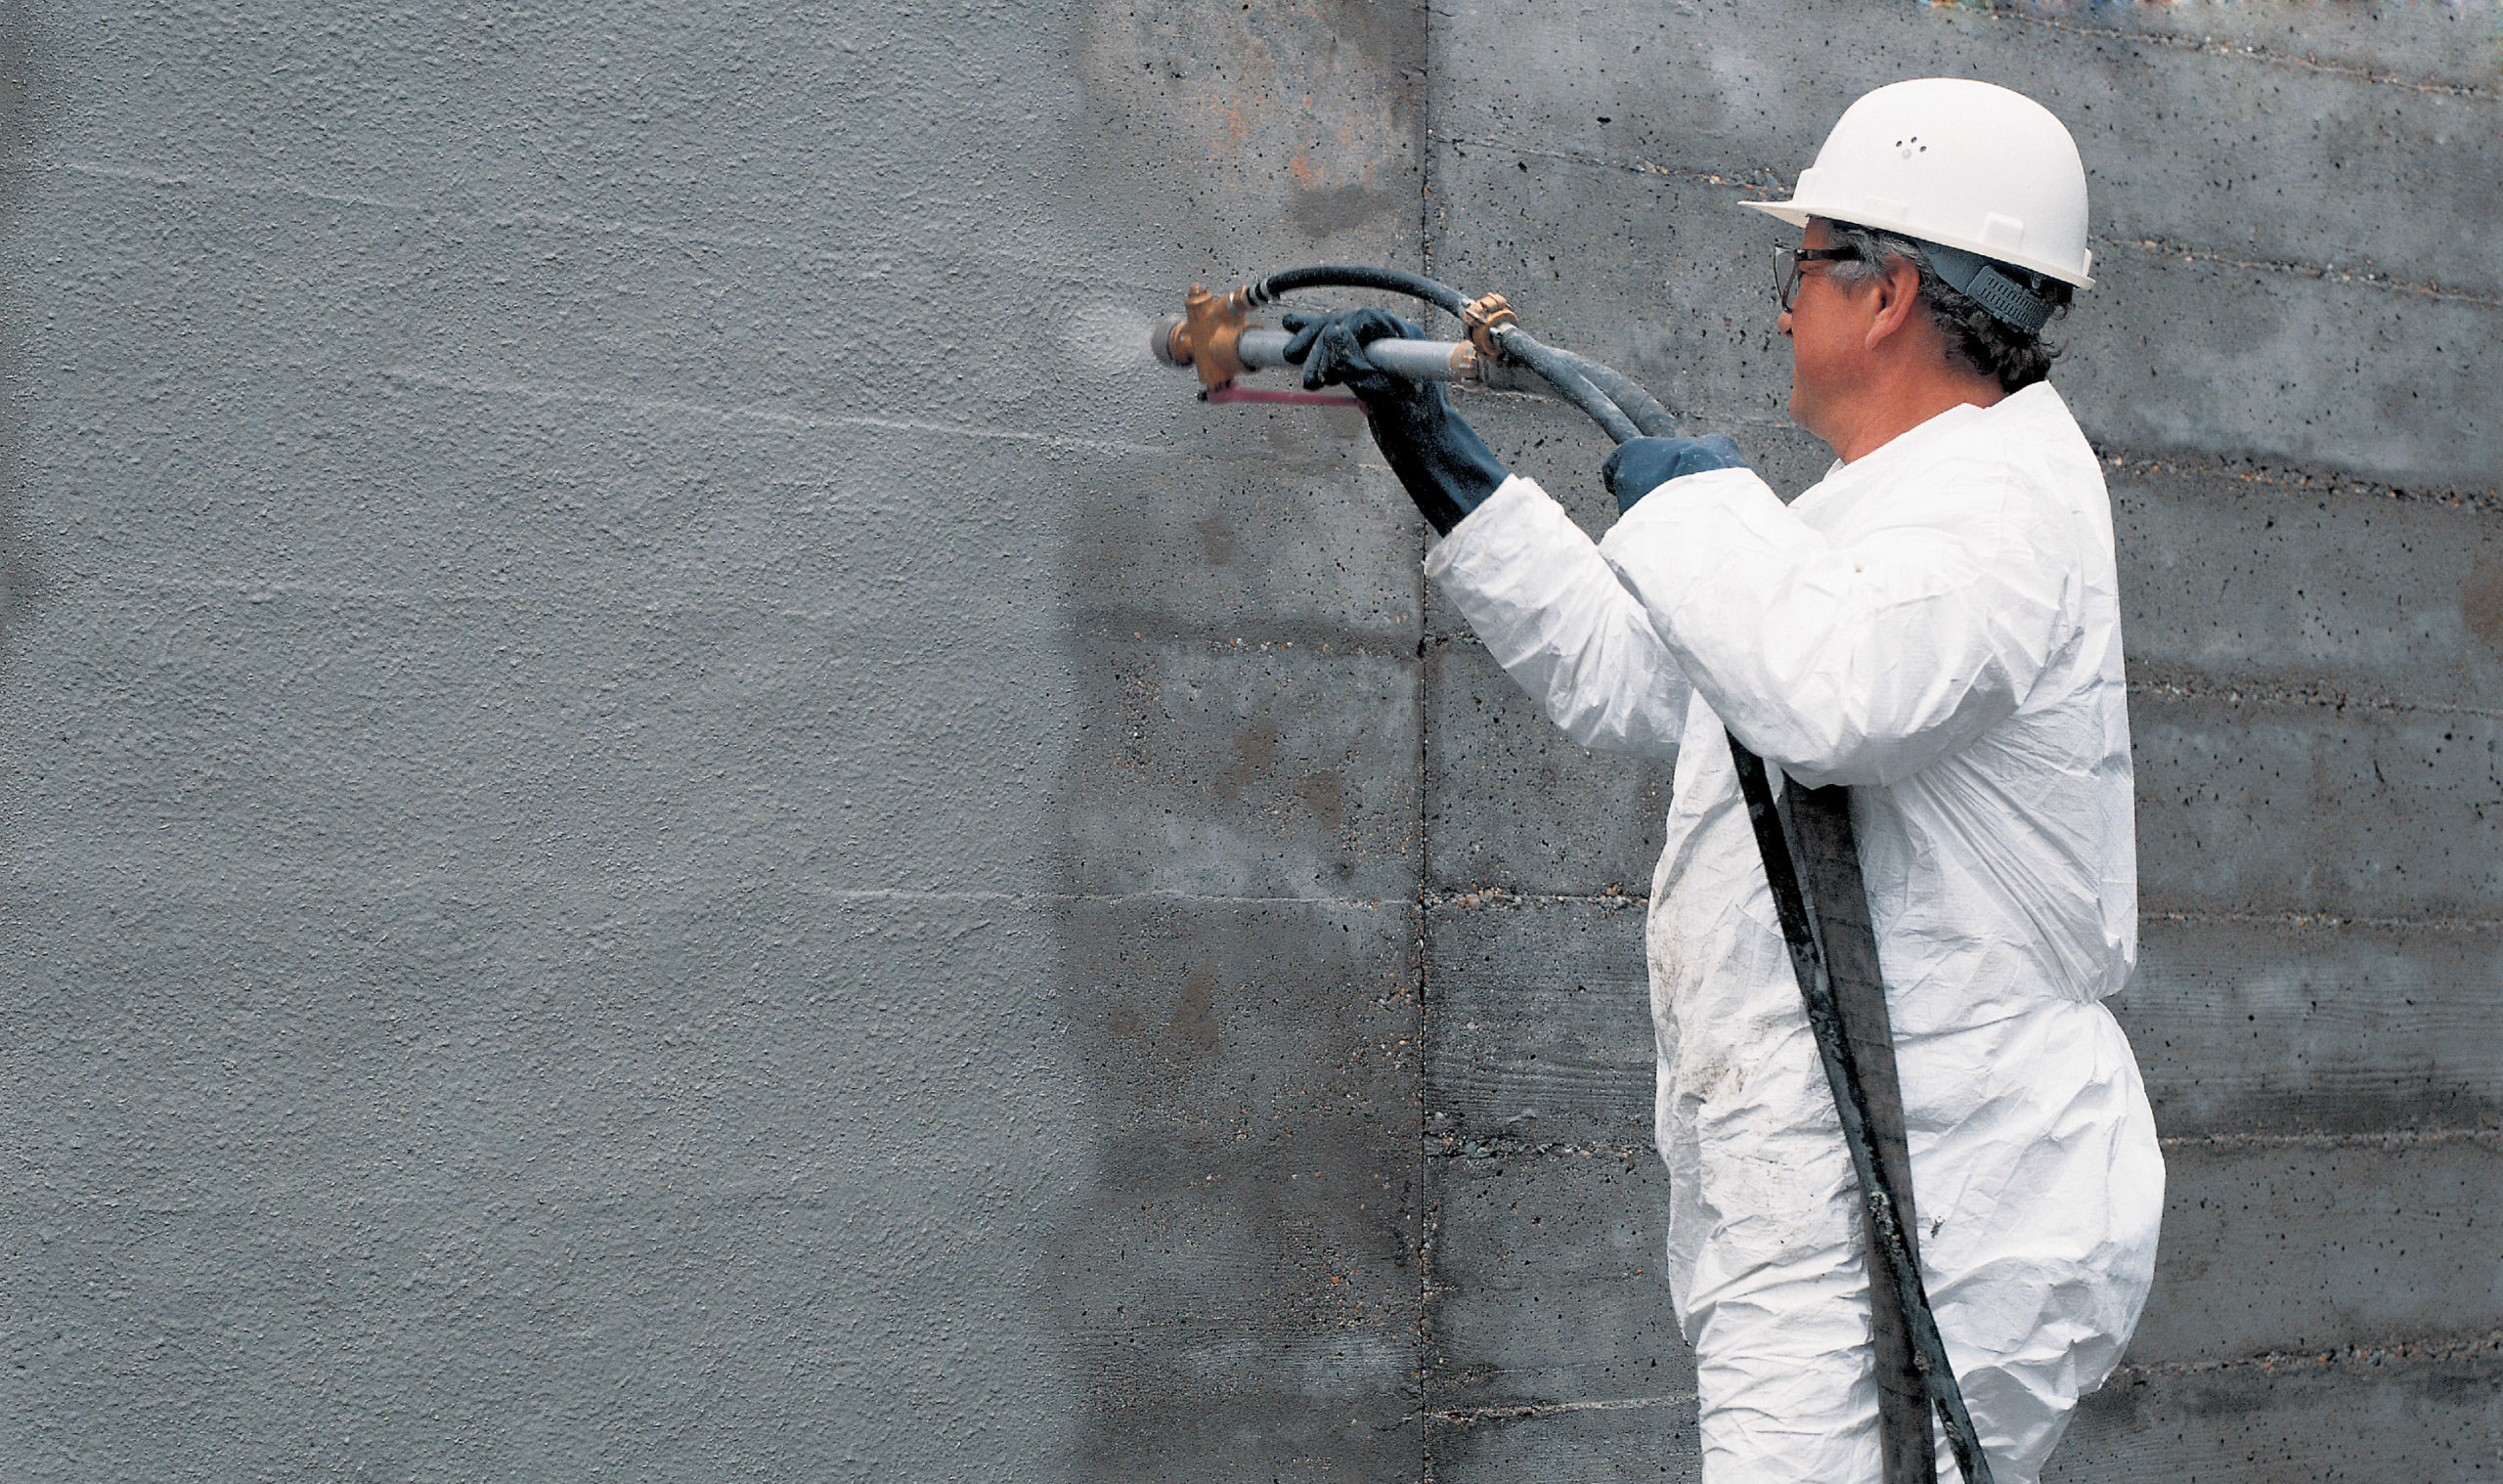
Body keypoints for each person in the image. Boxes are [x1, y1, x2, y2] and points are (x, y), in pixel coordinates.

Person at [1282, 79, 2163, 1483]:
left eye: (1801, 268)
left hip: (1941, 1189)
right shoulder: (1887, 508)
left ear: (1891, 292)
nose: (1782, 312)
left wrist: (1695, 498)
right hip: (1847, 1183)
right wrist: (1448, 466)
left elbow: (1831, 693)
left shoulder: (2006, 503)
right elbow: (1651, 679)